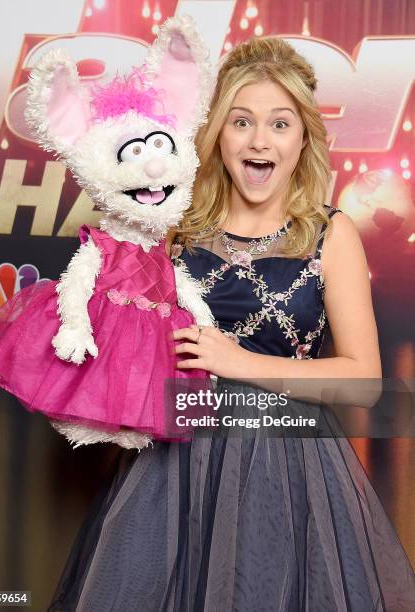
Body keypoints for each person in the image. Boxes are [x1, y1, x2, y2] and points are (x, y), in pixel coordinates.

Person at [48, 37, 415, 611]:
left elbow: (365, 382)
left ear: (303, 140)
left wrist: (238, 362)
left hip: (295, 473)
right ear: (218, 133)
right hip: (178, 471)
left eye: (279, 123)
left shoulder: (330, 234)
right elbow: (127, 353)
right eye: (242, 121)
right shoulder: (174, 230)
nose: (259, 139)